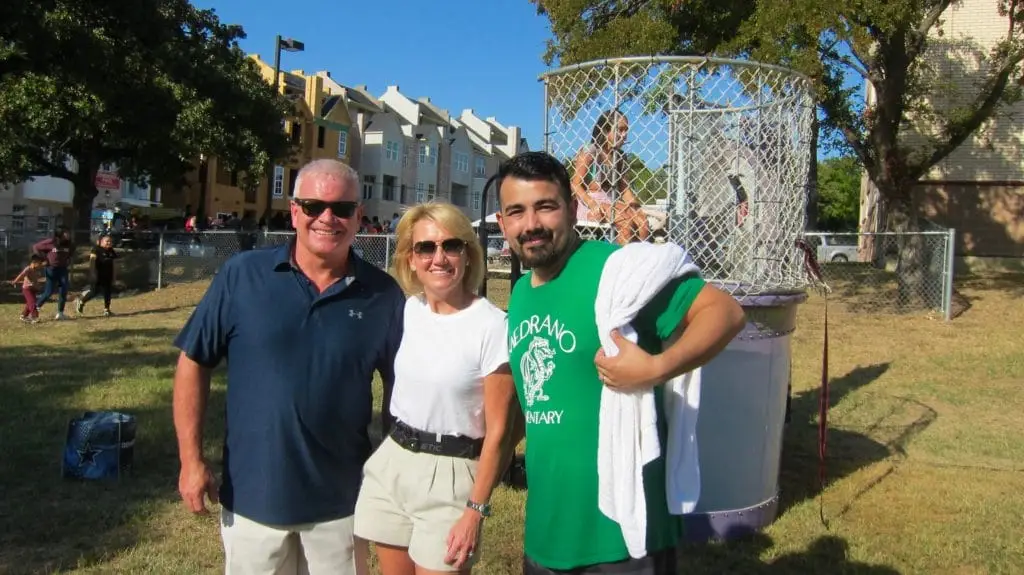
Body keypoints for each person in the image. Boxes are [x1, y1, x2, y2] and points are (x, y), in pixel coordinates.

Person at [494, 151, 746, 575]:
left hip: (623, 534)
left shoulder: (618, 273)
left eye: (546, 206)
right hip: (546, 530)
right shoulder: (519, 294)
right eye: (516, 212)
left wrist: (656, 367)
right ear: (503, 223)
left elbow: (724, 313)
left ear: (573, 209)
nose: (531, 224)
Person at [172, 158, 404, 575]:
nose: (327, 218)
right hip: (252, 499)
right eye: (313, 206)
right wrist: (191, 461)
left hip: (343, 504)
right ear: (294, 211)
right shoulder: (242, 276)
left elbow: (399, 391)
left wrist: (394, 473)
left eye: (342, 208)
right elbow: (193, 360)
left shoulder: (384, 295)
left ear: (358, 217)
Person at [353, 202, 518, 574]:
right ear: (411, 259)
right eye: (425, 247)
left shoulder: (491, 326)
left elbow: (500, 434)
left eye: (451, 246)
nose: (438, 258)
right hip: (393, 460)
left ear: (467, 254)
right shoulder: (408, 311)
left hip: (452, 475)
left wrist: (475, 510)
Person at [571, 109, 650, 244]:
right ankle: (622, 263)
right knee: (626, 224)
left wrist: (636, 209)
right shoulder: (590, 151)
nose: (624, 135)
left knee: (643, 223)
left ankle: (638, 261)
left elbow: (625, 190)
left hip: (611, 202)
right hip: (590, 203)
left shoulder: (620, 157)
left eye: (626, 130)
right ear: (605, 130)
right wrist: (592, 204)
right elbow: (575, 184)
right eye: (620, 129)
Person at [33, 225, 74, 320]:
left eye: (69, 232)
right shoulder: (51, 242)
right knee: (49, 292)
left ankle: (60, 313)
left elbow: (70, 253)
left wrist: (67, 260)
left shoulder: (70, 244)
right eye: (66, 232)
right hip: (51, 269)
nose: (68, 234)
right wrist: (43, 259)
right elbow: (35, 247)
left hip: (63, 269)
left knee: (63, 290)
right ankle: (34, 309)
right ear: (60, 234)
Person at [75, 233, 118, 317]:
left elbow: (114, 264)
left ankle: (107, 310)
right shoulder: (96, 250)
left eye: (110, 241)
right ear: (101, 242)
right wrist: (92, 273)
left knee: (107, 292)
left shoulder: (111, 251)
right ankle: (81, 301)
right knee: (94, 292)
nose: (109, 243)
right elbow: (92, 262)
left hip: (108, 275)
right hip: (98, 274)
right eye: (107, 241)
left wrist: (114, 276)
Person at [11, 254, 46, 323]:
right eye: (39, 263)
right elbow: (21, 275)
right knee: (32, 303)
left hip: (33, 289)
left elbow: (44, 264)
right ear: (34, 262)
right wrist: (15, 281)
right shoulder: (28, 269)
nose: (40, 265)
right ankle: (34, 317)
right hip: (27, 289)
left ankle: (23, 316)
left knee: (29, 303)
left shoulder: (36, 269)